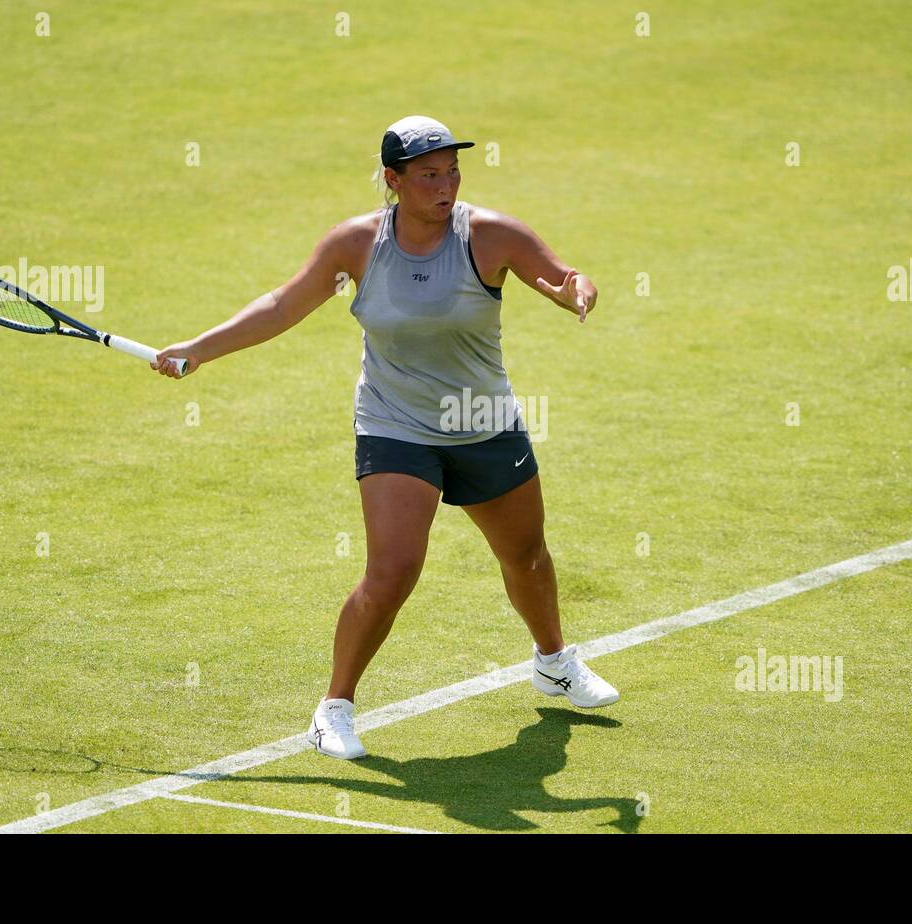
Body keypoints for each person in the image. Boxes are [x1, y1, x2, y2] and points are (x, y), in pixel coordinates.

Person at [153, 115, 619, 760]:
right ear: (393, 180)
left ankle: (553, 660)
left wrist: (576, 293)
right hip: (395, 424)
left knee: (527, 557)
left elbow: (567, 276)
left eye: (452, 170)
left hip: (481, 421)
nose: (445, 184)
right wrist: (200, 349)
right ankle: (333, 707)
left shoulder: (492, 235)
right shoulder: (355, 245)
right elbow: (283, 305)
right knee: (393, 571)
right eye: (428, 174)